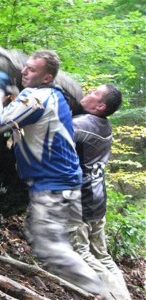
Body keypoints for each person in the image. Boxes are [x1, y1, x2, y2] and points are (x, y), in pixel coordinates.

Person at [0, 49, 111, 299]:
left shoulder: (36, 98)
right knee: (56, 245)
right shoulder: (54, 97)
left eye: (32, 69)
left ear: (46, 77)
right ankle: (89, 293)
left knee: (52, 249)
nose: (24, 71)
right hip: (66, 184)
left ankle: (101, 295)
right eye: (25, 66)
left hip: (54, 187)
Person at [70, 84, 132, 299]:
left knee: (82, 253)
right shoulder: (104, 125)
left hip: (82, 202)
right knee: (103, 257)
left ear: (100, 106)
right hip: (98, 200)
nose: (87, 93)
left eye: (94, 93)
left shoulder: (84, 124)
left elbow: (52, 131)